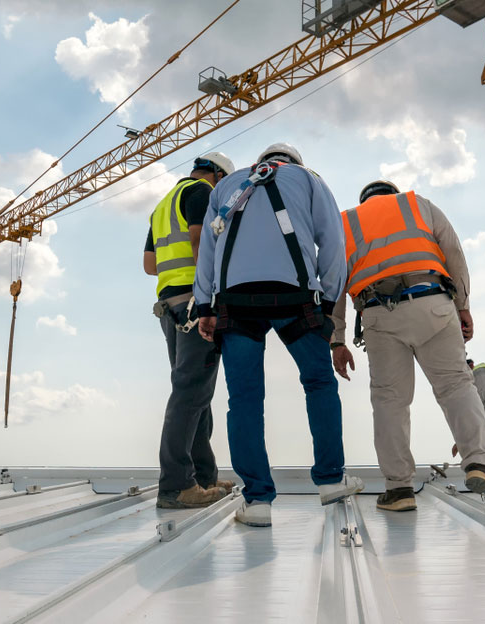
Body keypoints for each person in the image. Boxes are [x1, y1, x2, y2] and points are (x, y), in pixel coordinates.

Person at [194, 142, 363, 528]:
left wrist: (205, 306)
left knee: (245, 400)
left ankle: (257, 501)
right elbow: (334, 242)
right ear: (293, 163)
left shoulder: (228, 186)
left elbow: (208, 246)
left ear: (262, 160)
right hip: (296, 299)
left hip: (236, 303)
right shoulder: (309, 180)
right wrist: (329, 298)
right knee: (319, 383)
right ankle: (330, 480)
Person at [331, 179, 485, 512]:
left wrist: (337, 340)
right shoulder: (419, 205)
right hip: (431, 301)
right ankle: (479, 464)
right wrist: (463, 305)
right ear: (393, 194)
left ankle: (399, 488)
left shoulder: (347, 222)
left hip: (378, 312)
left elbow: (333, 283)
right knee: (457, 386)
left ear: (364, 201)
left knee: (390, 401)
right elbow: (454, 253)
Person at [144, 152, 237, 509]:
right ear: (216, 175)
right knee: (189, 393)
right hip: (194, 305)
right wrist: (207, 299)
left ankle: (203, 478)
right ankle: (176, 485)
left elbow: (150, 265)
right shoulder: (200, 192)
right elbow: (201, 245)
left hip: (170, 306)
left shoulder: (163, 204)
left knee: (194, 392)